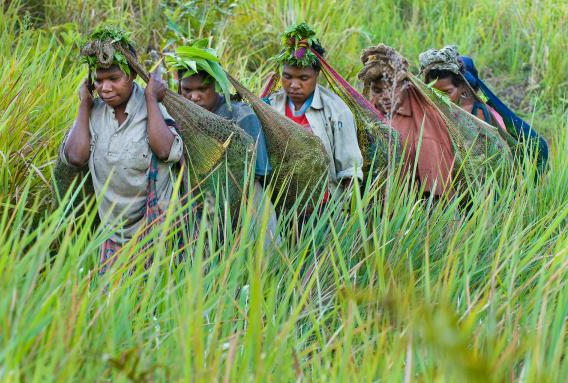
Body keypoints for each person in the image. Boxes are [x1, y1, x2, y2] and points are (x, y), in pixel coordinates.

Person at [59, 28, 183, 269]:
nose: (105, 88)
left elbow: (166, 151)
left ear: (132, 75)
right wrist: (83, 106)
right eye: (99, 80)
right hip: (112, 239)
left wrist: (151, 100)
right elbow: (75, 157)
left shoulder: (153, 109)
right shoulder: (93, 113)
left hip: (158, 235)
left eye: (113, 79)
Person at [171, 44, 278, 247]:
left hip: (245, 201)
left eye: (202, 89)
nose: (194, 97)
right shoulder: (178, 117)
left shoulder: (241, 115)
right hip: (199, 204)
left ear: (217, 85)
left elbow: (259, 171)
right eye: (187, 90)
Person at [267, 23, 363, 200]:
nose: (294, 85)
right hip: (280, 200)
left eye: (303, 78)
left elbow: (350, 171)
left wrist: (349, 212)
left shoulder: (336, 111)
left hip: (322, 203)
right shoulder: (270, 105)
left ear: (317, 75)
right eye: (287, 76)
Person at [358, 44, 454, 197]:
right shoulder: (368, 115)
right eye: (377, 90)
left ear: (405, 86)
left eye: (391, 88)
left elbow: (435, 183)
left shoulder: (425, 119)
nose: (385, 97)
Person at [419, 45, 504, 128]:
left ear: (463, 87)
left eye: (447, 92)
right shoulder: (428, 108)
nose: (439, 97)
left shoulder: (477, 112)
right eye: (434, 92)